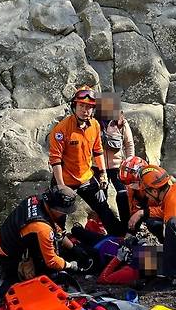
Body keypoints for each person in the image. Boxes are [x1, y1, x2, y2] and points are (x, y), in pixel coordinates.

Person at [48, 85, 123, 235]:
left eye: (89, 107)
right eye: (81, 105)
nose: (85, 110)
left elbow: (97, 150)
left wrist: (103, 173)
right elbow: (55, 160)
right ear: (74, 106)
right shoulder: (61, 130)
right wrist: (61, 186)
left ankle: (120, 239)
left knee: (103, 208)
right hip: (65, 179)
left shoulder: (94, 125)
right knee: (57, 216)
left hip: (86, 178)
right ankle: (57, 246)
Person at [0, 185, 86, 298]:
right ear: (56, 208)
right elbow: (51, 261)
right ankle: (3, 293)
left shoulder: (35, 200)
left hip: (4, 240)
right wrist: (69, 265)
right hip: (8, 255)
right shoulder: (42, 228)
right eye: (64, 212)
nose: (65, 214)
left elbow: (57, 231)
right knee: (37, 282)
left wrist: (73, 248)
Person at [95, 92, 135, 228]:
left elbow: (129, 144)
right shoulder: (94, 123)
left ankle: (126, 224)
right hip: (98, 168)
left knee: (123, 194)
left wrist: (130, 163)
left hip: (117, 167)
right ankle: (107, 226)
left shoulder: (121, 123)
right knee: (101, 197)